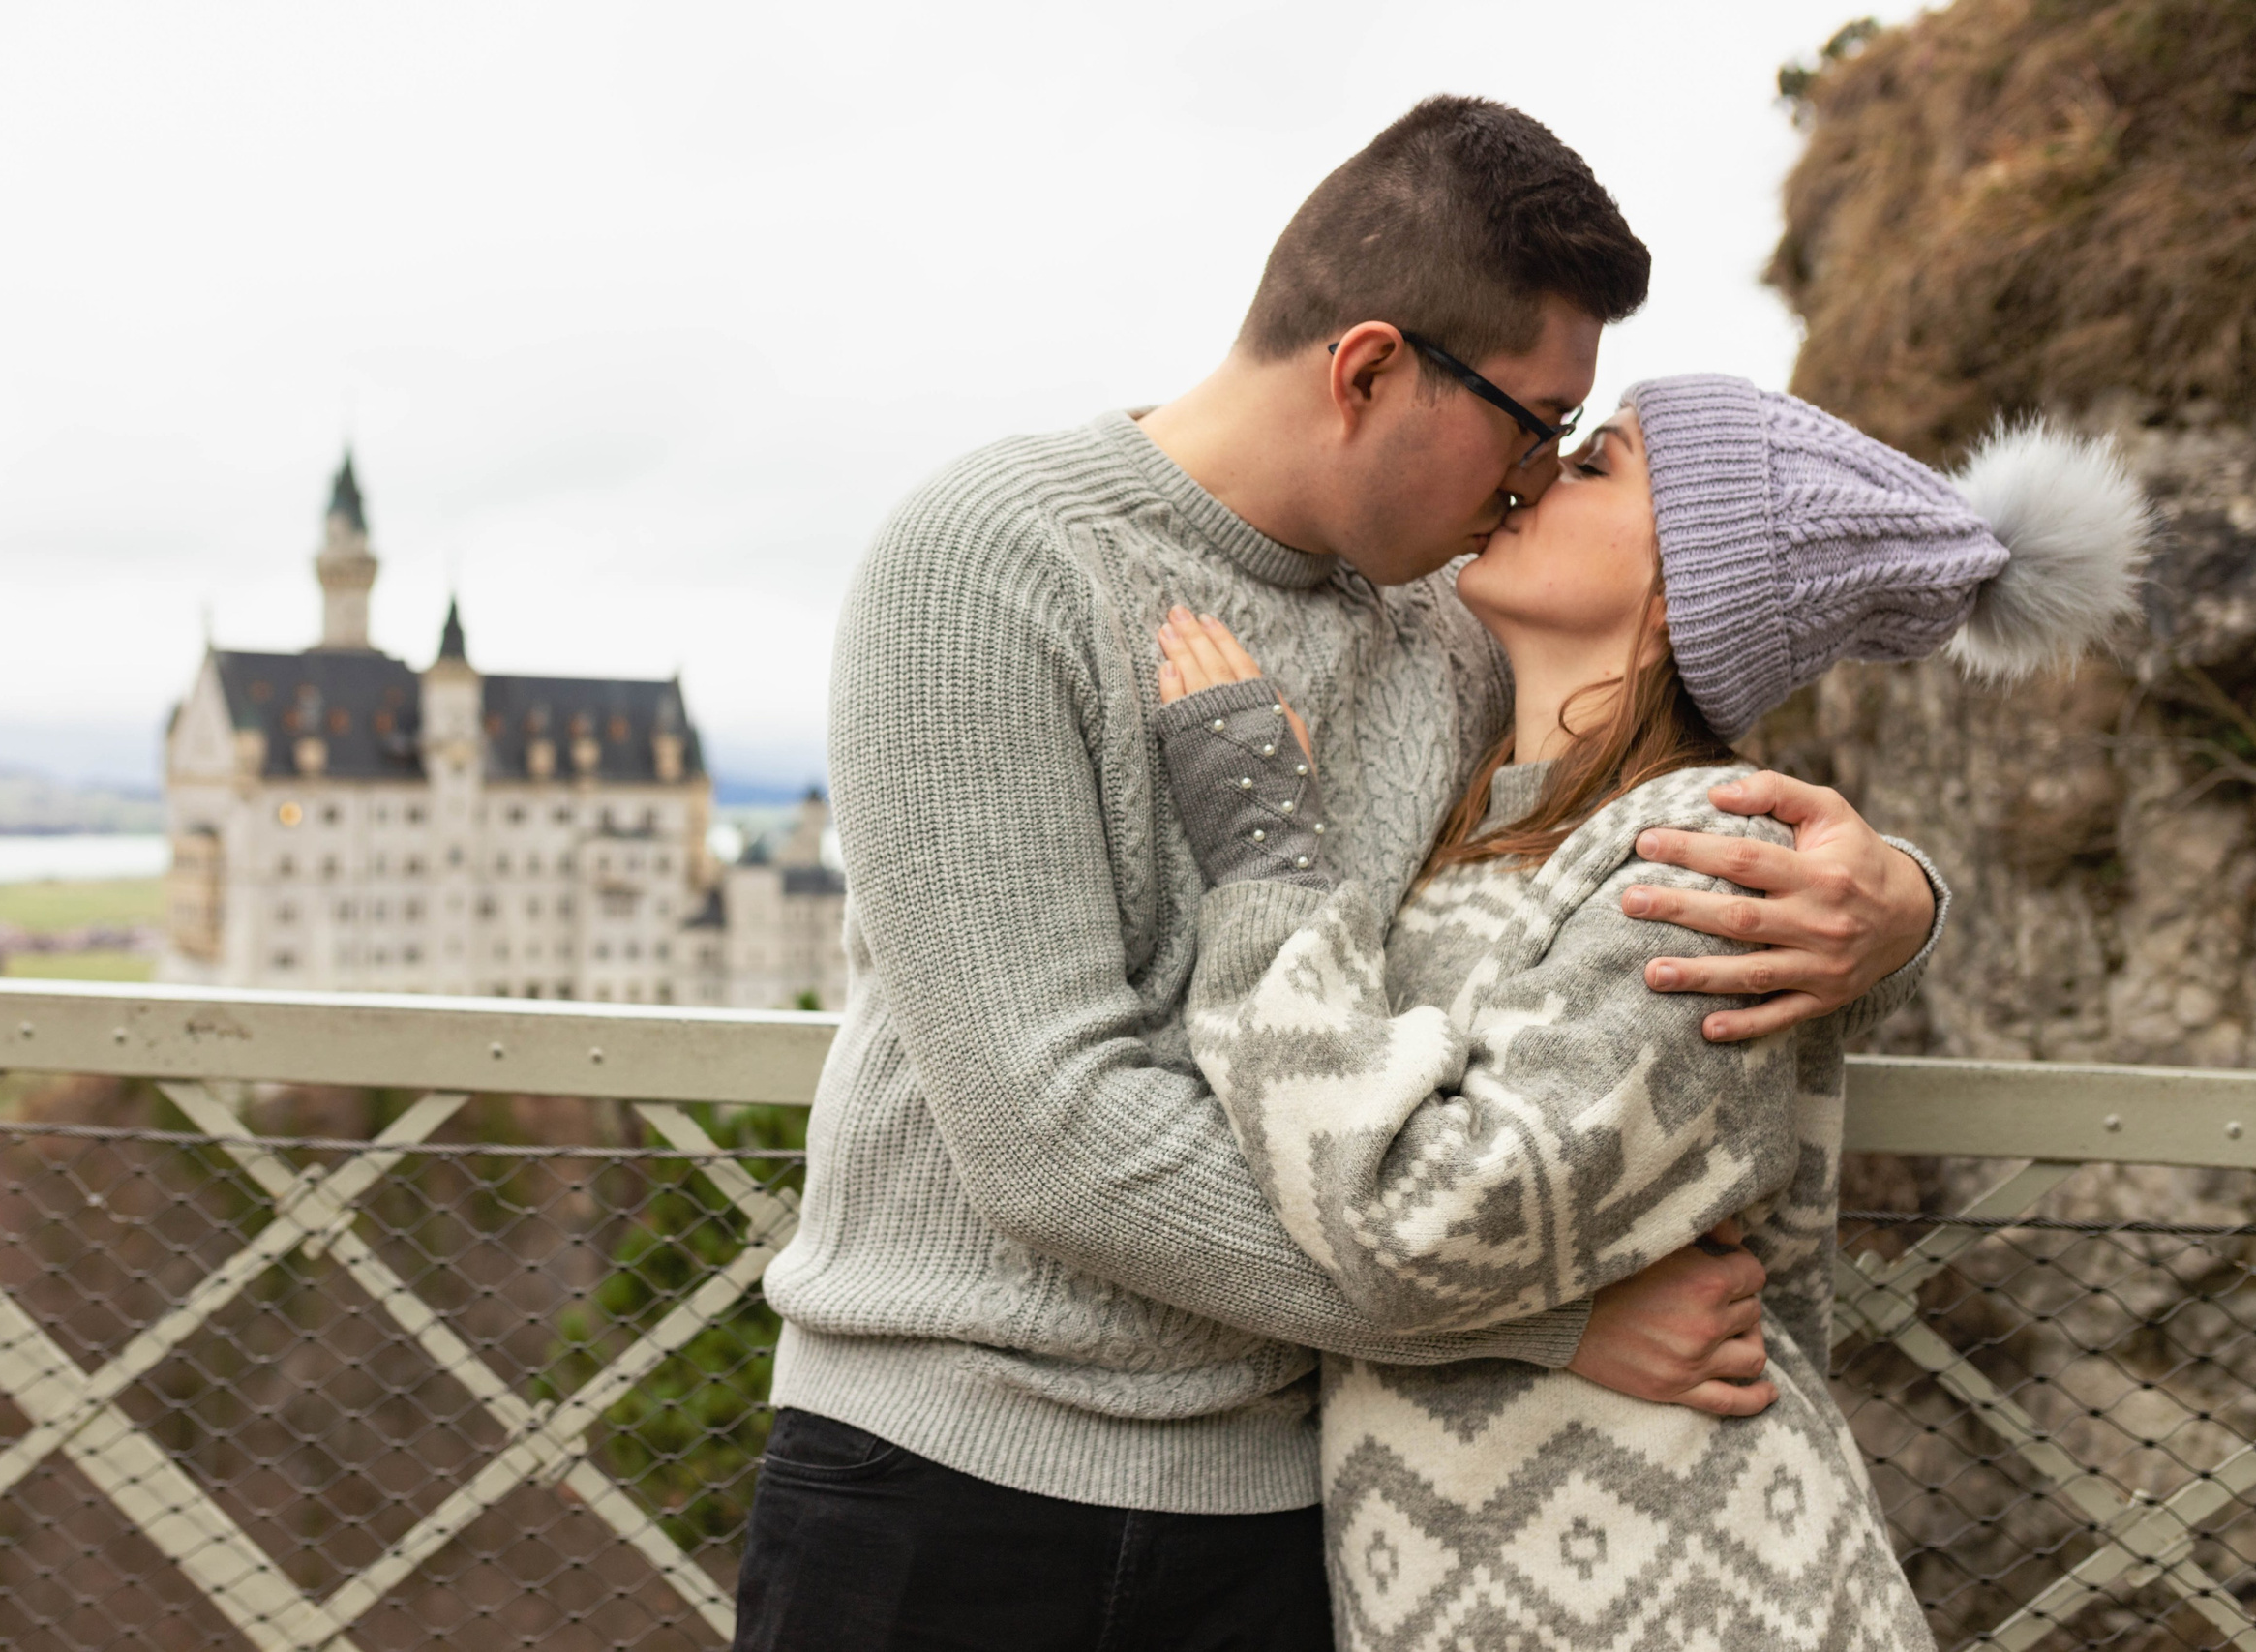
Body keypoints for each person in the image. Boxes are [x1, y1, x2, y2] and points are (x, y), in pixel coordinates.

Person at [734, 99, 1947, 1651]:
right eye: (1533, 427)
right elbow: (1050, 1134)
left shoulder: (1450, 626)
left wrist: (1893, 905)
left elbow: (1613, 816)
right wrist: (1545, 1318)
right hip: (954, 1481)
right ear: (1373, 368)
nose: (1537, 482)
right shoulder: (994, 563)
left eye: (1577, 452)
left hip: (1293, 1517)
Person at [1151, 381, 2151, 1649]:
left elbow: (1426, 1219)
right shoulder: (1491, 825)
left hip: (1686, 1593)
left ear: (1691, 588)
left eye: (1598, 466)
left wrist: (1267, 862)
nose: (1537, 471)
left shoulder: (1703, 862)